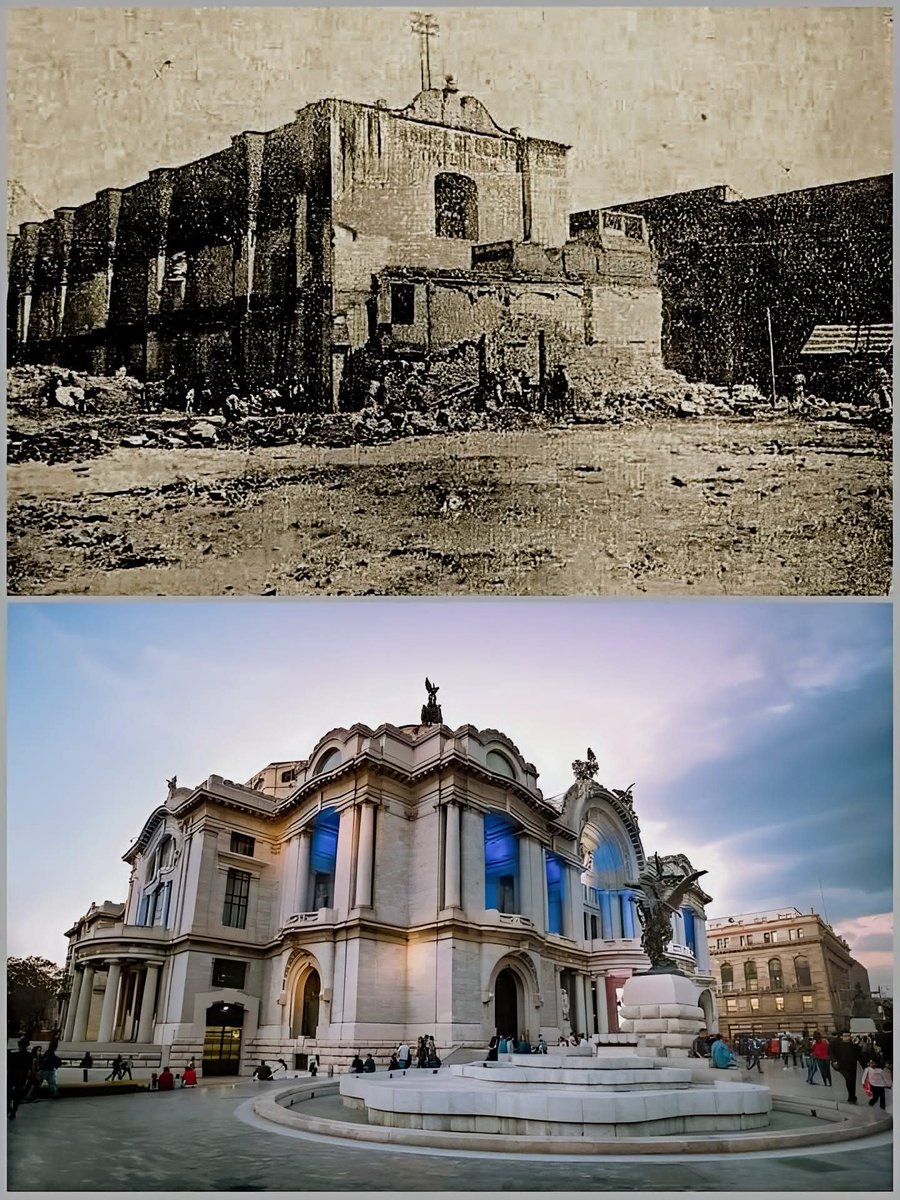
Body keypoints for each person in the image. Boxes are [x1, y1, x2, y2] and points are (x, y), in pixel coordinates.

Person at [832, 1031, 865, 1104]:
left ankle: (852, 1096)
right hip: (843, 1066)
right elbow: (833, 1053)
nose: (847, 1037)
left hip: (852, 1066)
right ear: (841, 1037)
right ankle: (851, 1096)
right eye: (845, 1036)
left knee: (852, 1081)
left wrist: (858, 1045)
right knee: (849, 1079)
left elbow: (859, 1054)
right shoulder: (838, 1045)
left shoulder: (853, 1045)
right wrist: (834, 1061)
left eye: (848, 1036)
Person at [7, 1036, 33, 1119]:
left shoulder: (12, 1055)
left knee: (8, 1093)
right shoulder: (30, 1056)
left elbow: (8, 1065)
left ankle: (8, 1108)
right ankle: (13, 1112)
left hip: (12, 1075)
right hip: (22, 1076)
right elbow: (29, 1067)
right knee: (17, 1094)